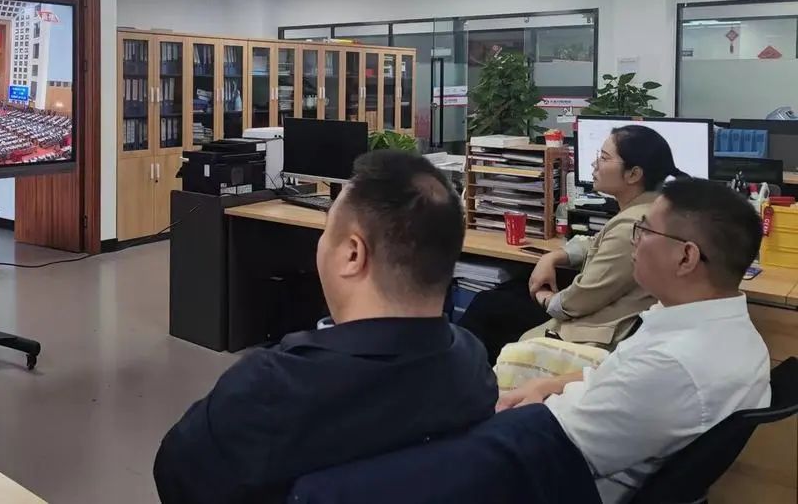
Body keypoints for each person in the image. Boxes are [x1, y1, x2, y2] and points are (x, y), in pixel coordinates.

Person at [153, 150, 498, 504]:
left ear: (352, 254)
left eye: (327, 230)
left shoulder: (269, 388)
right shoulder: (473, 365)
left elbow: (176, 475)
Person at [497, 178, 770, 503]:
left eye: (644, 230)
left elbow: (542, 449)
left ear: (686, 257)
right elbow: (614, 374)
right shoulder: (724, 329)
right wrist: (548, 385)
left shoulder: (670, 365)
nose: (634, 241)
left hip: (559, 480)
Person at [460, 125, 680, 362]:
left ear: (633, 174)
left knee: (489, 307)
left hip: (590, 331)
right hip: (596, 312)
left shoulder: (631, 226)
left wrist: (542, 295)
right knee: (507, 292)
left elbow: (575, 302)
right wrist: (553, 256)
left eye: (604, 158)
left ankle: (466, 375)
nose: (594, 164)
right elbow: (595, 242)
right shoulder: (648, 210)